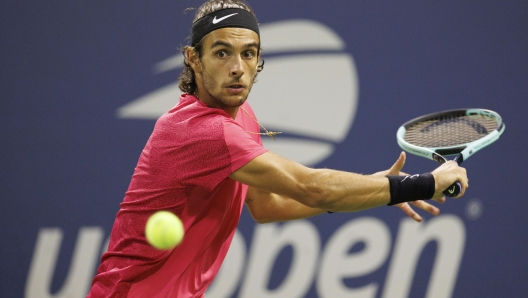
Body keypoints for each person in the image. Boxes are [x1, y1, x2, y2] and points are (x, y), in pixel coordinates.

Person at [87, 0, 469, 297]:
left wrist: (374, 188)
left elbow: (268, 207)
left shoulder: (242, 117)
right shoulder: (199, 130)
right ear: (193, 59)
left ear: (258, 61)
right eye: (222, 53)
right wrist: (421, 184)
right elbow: (311, 186)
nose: (237, 67)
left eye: (248, 53)